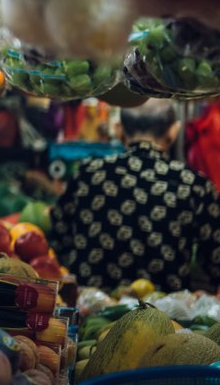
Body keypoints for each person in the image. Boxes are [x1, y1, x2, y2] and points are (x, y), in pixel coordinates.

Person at [49, 99, 220, 293]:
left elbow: (58, 235)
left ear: (118, 129)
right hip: (165, 317)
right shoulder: (195, 185)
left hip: (92, 312)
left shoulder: (88, 173)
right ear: (174, 131)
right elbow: (215, 260)